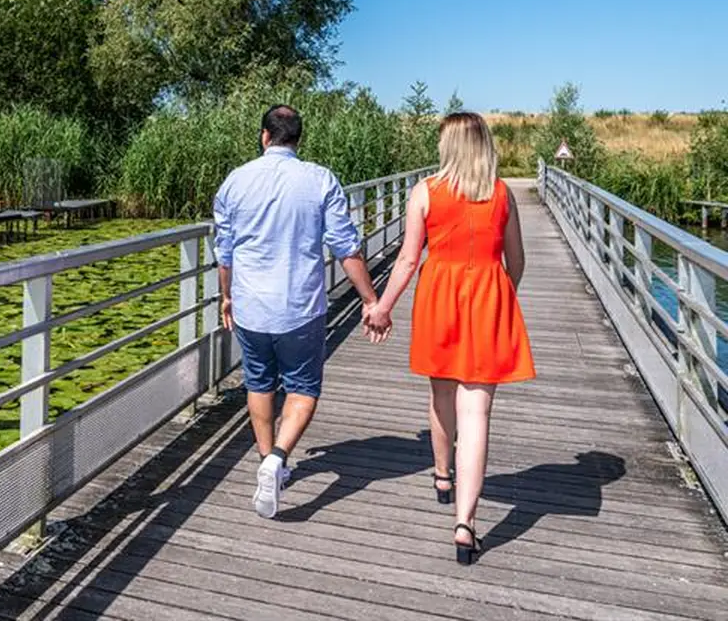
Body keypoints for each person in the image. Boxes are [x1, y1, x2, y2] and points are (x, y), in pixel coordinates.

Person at [213, 105, 391, 519]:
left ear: (264, 136)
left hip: (252, 306)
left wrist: (227, 296)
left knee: (259, 382)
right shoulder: (319, 179)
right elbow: (345, 246)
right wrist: (370, 299)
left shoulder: (235, 181)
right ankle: (278, 459)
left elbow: (224, 252)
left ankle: (266, 462)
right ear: (298, 138)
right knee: (302, 388)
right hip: (300, 307)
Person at [373, 112, 535, 564]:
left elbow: (407, 261)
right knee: (477, 412)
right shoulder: (502, 193)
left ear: (447, 147)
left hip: (439, 298)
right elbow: (516, 260)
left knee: (441, 392)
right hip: (488, 295)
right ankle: (465, 522)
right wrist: (503, 296)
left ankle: (442, 475)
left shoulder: (425, 191)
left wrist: (383, 308)